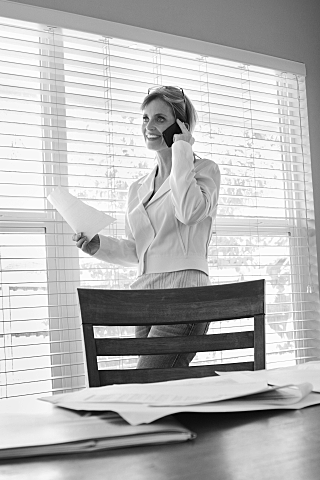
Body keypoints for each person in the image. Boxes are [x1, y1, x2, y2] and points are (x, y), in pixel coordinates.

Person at [73, 86, 221, 369]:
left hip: (185, 294)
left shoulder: (205, 170)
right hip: (143, 296)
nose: (149, 127)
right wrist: (98, 245)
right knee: (156, 393)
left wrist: (182, 149)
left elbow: (189, 212)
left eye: (160, 119)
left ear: (181, 126)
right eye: (145, 118)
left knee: (147, 379)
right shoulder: (137, 188)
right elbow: (137, 251)